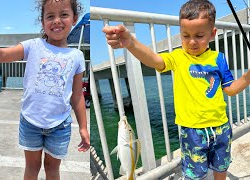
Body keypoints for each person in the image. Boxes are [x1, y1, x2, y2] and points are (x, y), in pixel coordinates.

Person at [103, 0, 250, 179]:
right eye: (186, 36)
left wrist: (247, 76)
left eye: (199, 35)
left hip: (221, 127)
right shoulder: (178, 57)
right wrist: (131, 43)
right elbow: (155, 60)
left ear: (212, 34)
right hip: (192, 131)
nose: (192, 42)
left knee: (221, 165)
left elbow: (230, 89)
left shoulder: (219, 58)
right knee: (195, 173)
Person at [0, 0, 90, 179]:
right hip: (30, 122)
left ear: (74, 19)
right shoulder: (33, 46)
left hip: (60, 125)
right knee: (32, 167)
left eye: (63, 15)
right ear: (42, 22)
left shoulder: (77, 56)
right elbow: (2, 55)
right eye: (50, 16)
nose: (57, 20)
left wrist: (83, 127)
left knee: (52, 168)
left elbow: (78, 95)